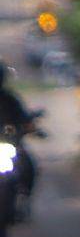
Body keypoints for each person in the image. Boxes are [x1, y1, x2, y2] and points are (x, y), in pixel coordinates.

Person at [0, 63, 38, 199]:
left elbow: (24, 119)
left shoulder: (11, 100)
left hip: (11, 144)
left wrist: (30, 127)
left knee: (28, 166)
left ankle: (24, 195)